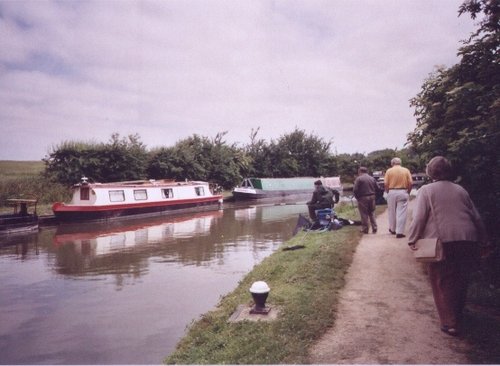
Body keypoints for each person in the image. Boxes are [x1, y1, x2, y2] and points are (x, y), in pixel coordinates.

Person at [407, 156, 488, 337]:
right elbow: (476, 216)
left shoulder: (426, 190)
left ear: (430, 171)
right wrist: (483, 239)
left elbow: (419, 217)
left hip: (443, 241)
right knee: (461, 280)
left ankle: (450, 323)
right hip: (468, 239)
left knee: (441, 281)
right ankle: (457, 317)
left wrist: (412, 238)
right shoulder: (460, 190)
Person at [384, 157, 412, 238]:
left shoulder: (389, 171)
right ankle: (399, 232)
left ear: (392, 163)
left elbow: (386, 183)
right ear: (400, 163)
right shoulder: (406, 170)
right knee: (401, 212)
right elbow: (410, 182)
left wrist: (388, 191)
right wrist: (408, 192)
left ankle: (392, 229)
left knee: (391, 211)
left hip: (392, 191)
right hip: (403, 191)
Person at [353, 167, 378, 234]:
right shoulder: (372, 178)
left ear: (360, 171)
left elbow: (355, 189)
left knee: (364, 213)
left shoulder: (359, 179)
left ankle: (365, 229)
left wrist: (357, 197)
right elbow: (377, 187)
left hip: (363, 198)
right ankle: (374, 227)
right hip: (372, 196)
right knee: (372, 212)